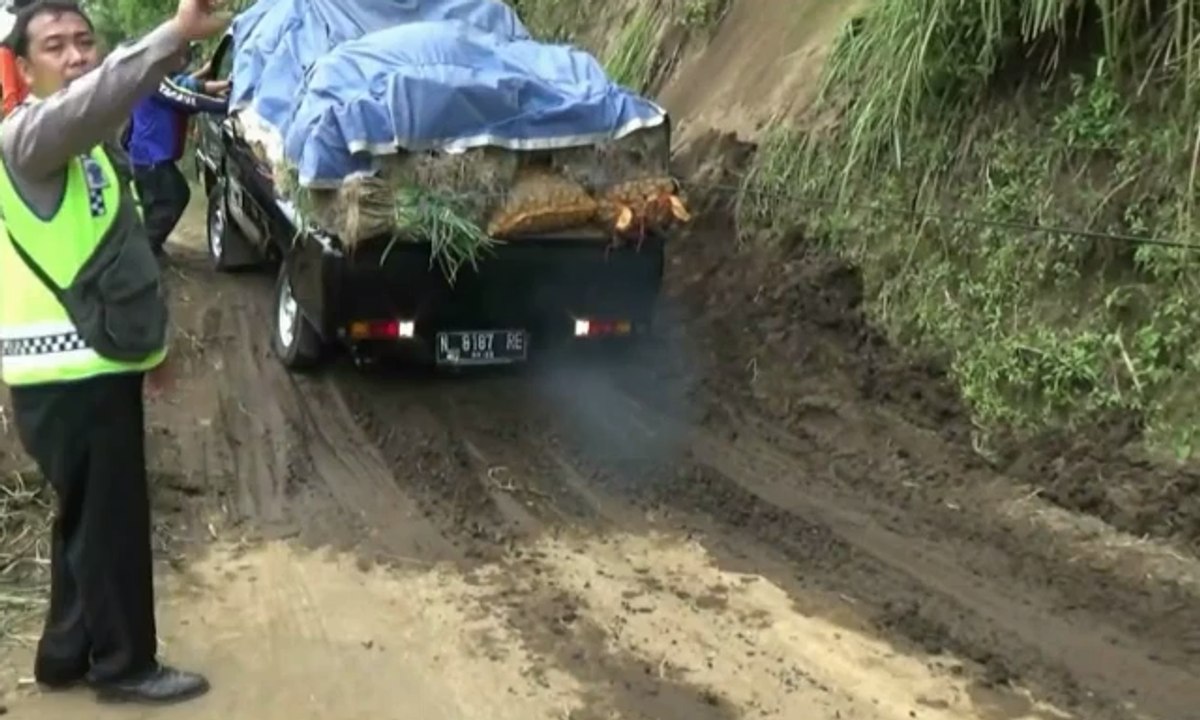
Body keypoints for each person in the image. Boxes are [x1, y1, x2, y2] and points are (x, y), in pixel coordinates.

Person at [0, 0, 229, 705]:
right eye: (54, 46)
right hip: (65, 372)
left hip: (94, 363)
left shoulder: (89, 150)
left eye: (83, 41)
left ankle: (66, 653)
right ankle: (125, 666)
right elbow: (96, 100)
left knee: (88, 517)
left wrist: (149, 345)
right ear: (24, 66)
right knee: (113, 526)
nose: (74, 56)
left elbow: (122, 254)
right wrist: (175, 36)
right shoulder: (30, 137)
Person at [125, 44, 229, 256]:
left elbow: (184, 87)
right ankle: (146, 251)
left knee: (155, 205)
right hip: (152, 157)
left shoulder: (151, 77)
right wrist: (229, 105)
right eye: (180, 57)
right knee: (174, 197)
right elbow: (187, 97)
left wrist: (215, 81)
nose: (184, 62)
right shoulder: (154, 80)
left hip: (146, 155)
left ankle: (148, 248)